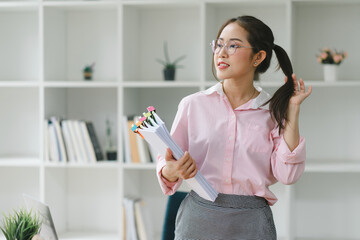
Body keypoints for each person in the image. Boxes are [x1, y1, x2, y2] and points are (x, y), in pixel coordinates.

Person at [156, 15, 312, 240]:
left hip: (252, 223)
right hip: (197, 218)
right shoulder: (192, 105)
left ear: (258, 57)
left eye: (233, 45)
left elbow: (287, 175)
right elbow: (167, 162)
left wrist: (293, 111)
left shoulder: (273, 112)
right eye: (219, 44)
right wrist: (172, 170)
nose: (221, 52)